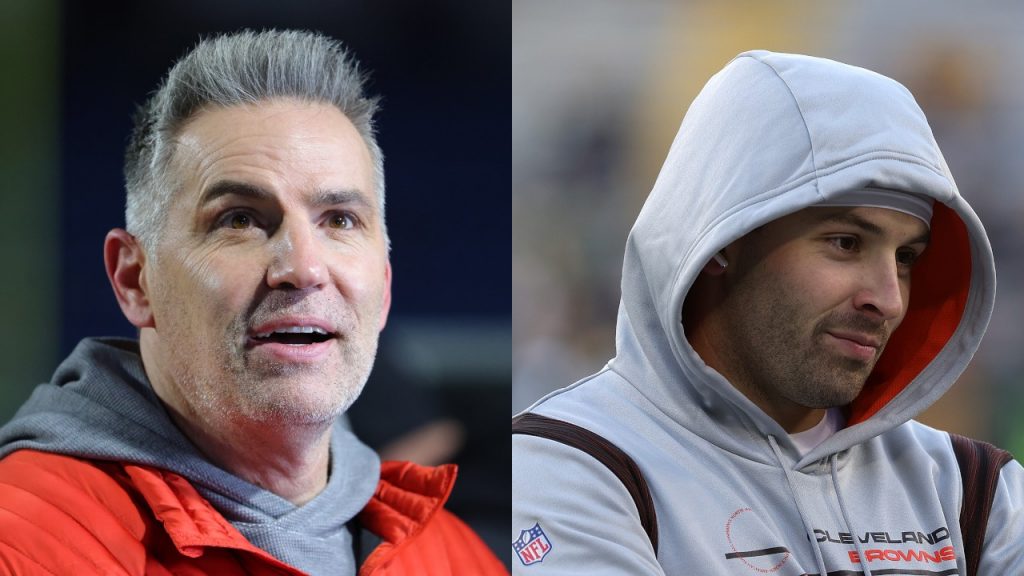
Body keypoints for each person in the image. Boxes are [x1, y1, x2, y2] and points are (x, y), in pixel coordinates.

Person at [0, 29, 506, 576]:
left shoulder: (455, 558)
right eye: (239, 219)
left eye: (339, 220)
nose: (304, 268)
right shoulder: (26, 544)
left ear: (383, 287)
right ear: (135, 282)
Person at [512, 50, 1024, 574]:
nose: (888, 298)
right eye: (846, 243)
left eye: (906, 257)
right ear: (718, 243)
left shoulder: (974, 489)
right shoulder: (569, 467)